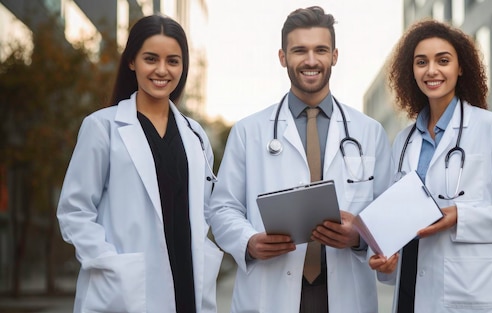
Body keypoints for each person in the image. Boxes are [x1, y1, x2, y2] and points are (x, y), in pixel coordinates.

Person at [208, 6, 393, 313]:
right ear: (283, 57)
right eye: (299, 50)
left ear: (334, 56)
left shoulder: (368, 132)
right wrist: (248, 241)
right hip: (270, 292)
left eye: (320, 50)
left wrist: (359, 237)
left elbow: (387, 213)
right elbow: (223, 207)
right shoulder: (248, 131)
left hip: (345, 293)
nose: (310, 60)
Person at [368, 19, 492, 313]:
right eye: (421, 62)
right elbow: (397, 224)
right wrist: (386, 263)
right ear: (411, 72)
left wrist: (461, 217)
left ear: (460, 67)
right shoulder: (403, 141)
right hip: (410, 294)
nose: (432, 70)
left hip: (469, 294)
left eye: (443, 60)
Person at [56, 14, 223, 313]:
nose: (162, 70)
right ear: (132, 61)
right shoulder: (102, 127)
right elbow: (74, 211)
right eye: (151, 59)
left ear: (183, 67)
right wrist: (109, 264)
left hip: (188, 284)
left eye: (173, 61)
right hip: (127, 292)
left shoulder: (195, 135)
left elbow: (209, 209)